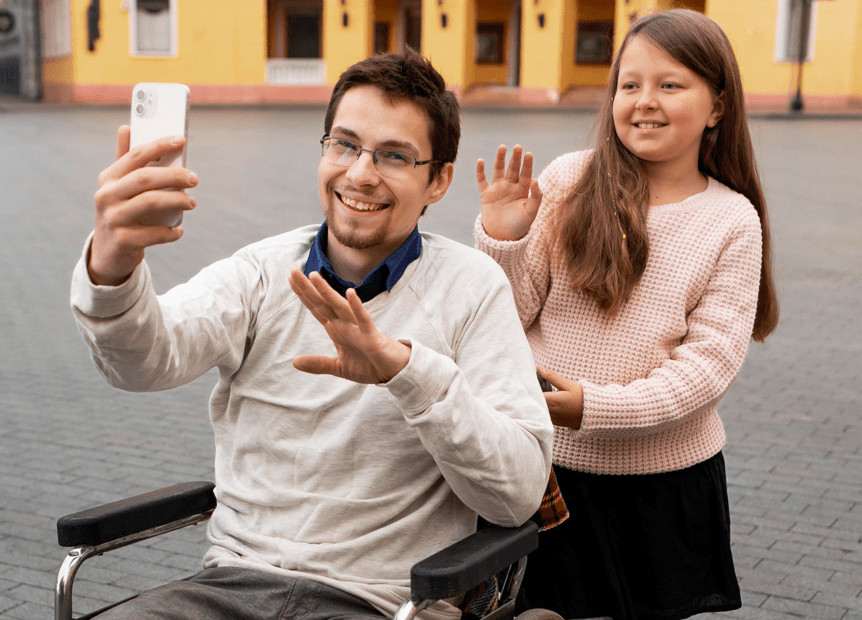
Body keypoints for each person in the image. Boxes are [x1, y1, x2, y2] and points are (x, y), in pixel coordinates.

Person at [70, 50, 554, 620]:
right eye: (344, 145)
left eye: (394, 155)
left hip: (380, 602)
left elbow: (518, 494)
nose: (360, 173)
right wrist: (113, 266)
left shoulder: (472, 288)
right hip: (229, 589)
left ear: (438, 180)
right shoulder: (260, 272)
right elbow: (142, 361)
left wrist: (407, 373)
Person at [473, 9, 779, 620]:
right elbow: (508, 317)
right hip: (544, 465)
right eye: (629, 84)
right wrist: (504, 240)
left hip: (661, 488)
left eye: (671, 85)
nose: (644, 101)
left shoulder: (731, 220)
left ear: (717, 106)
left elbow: (706, 370)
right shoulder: (570, 180)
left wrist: (592, 407)